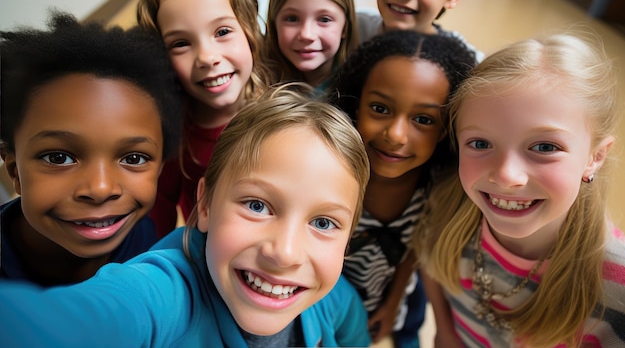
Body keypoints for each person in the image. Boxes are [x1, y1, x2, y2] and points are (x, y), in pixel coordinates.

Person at [0, 85, 372, 348]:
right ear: (206, 205)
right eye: (257, 205)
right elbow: (82, 322)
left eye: (323, 223)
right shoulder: (163, 296)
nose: (286, 254)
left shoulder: (330, 294)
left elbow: (352, 328)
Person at [415, 33, 625, 347]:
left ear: (595, 157)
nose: (506, 176)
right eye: (480, 143)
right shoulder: (447, 207)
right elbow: (430, 260)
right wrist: (445, 330)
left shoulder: (617, 291)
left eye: (544, 146)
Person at [0, 11, 183, 286]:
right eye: (59, 157)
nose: (100, 189)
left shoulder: (147, 242)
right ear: (15, 171)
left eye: (133, 158)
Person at [336, 30, 477, 347]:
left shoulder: (436, 189)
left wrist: (393, 303)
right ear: (357, 105)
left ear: (445, 130)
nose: (397, 135)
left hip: (384, 303)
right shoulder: (331, 174)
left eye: (423, 120)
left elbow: (414, 250)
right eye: (381, 109)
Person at [136, 0, 274, 238]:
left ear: (249, 32)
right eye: (181, 43)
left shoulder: (282, 113)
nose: (207, 58)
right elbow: (156, 213)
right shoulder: (172, 133)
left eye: (222, 32)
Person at [265, 0, 358, 95]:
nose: (307, 35)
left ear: (345, 26)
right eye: (292, 18)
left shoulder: (361, 86)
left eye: (325, 20)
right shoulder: (259, 83)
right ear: (274, 23)